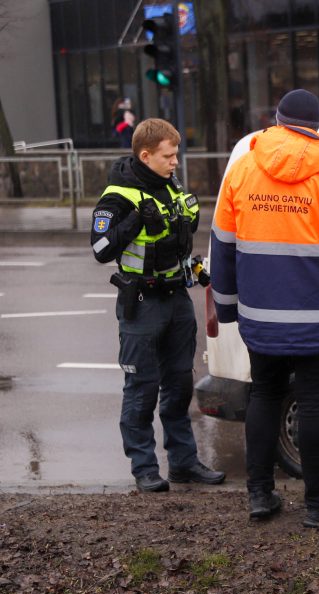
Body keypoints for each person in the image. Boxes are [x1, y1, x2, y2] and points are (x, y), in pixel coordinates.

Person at [210, 89, 319, 527]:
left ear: (276, 119)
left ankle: (259, 495)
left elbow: (223, 246)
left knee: (265, 394)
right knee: (313, 402)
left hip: (261, 314)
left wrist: (229, 308)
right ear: (317, 127)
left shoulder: (244, 168)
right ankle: (317, 504)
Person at [90, 118, 225, 493]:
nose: (175, 162)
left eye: (176, 154)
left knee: (180, 385)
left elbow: (175, 242)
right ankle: (145, 467)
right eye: (168, 156)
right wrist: (133, 221)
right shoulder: (118, 196)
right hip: (142, 303)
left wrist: (197, 268)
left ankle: (183, 463)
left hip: (176, 298)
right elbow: (101, 249)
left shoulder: (171, 187)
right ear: (146, 155)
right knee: (142, 388)